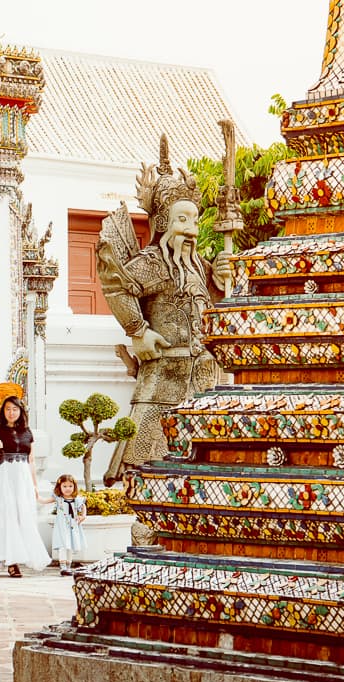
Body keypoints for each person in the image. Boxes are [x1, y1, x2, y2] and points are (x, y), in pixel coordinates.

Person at [97, 134, 233, 485]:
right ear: (161, 224)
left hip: (203, 375)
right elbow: (116, 284)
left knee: (208, 458)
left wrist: (219, 282)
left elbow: (213, 308)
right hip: (163, 376)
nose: (191, 230)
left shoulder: (199, 266)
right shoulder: (152, 261)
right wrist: (138, 331)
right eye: (182, 221)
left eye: (195, 222)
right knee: (145, 460)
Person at [0, 396, 52, 577]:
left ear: (20, 411)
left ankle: (23, 555)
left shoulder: (27, 432)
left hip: (23, 478)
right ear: (3, 411)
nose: (11, 412)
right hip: (3, 477)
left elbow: (31, 460)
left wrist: (35, 485)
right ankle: (11, 561)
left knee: (23, 515)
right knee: (6, 516)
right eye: (8, 409)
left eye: (15, 409)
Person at [38, 474, 86, 576]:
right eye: (64, 486)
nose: (67, 489)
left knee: (70, 546)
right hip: (62, 526)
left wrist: (83, 516)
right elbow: (44, 501)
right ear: (59, 487)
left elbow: (83, 507)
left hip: (72, 526)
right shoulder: (58, 498)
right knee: (63, 545)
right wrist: (36, 495)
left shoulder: (76, 499)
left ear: (74, 486)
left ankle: (68, 567)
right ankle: (63, 567)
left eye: (70, 486)